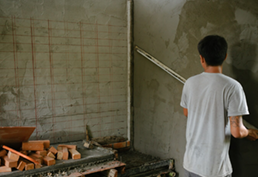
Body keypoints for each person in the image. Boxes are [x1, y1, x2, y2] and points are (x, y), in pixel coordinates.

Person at [180, 35, 258, 177]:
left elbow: (187, 113)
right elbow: (237, 132)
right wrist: (250, 132)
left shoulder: (189, 83)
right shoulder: (232, 87)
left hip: (191, 164)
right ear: (225, 57)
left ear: (202, 58)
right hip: (215, 170)